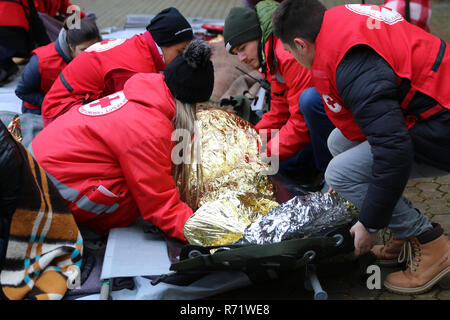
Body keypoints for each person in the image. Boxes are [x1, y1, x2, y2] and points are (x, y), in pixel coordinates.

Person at [272, 0, 449, 294]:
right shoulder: (337, 23)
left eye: (289, 50)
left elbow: (393, 152)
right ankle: (405, 233)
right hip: (430, 106)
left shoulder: (353, 65)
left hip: (441, 124)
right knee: (336, 142)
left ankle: (430, 243)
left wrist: (369, 223)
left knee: (341, 174)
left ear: (301, 44)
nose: (291, 57)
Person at [30, 39, 214, 242]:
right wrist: (211, 235)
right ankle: (92, 228)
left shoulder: (147, 94)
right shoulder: (149, 129)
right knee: (135, 198)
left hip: (43, 166)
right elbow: (162, 207)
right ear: (191, 105)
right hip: (47, 191)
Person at [223, 0, 335, 187]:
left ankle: (330, 176)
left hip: (335, 114)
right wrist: (249, 139)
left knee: (309, 104)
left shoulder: (286, 55)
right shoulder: (271, 57)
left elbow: (300, 124)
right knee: (281, 165)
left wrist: (262, 154)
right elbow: (279, 110)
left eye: (242, 48)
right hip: (315, 118)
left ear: (257, 37)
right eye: (236, 53)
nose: (241, 58)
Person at [41, 7, 194, 127]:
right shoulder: (134, 69)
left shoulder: (140, 45)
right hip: (59, 115)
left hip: (66, 105)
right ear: (163, 44)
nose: (182, 58)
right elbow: (135, 117)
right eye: (180, 51)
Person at [15, 17, 101, 114]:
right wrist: (55, 103)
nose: (90, 53)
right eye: (83, 50)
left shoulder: (97, 52)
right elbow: (22, 92)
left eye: (93, 47)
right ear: (71, 46)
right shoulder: (41, 62)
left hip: (74, 104)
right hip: (41, 110)